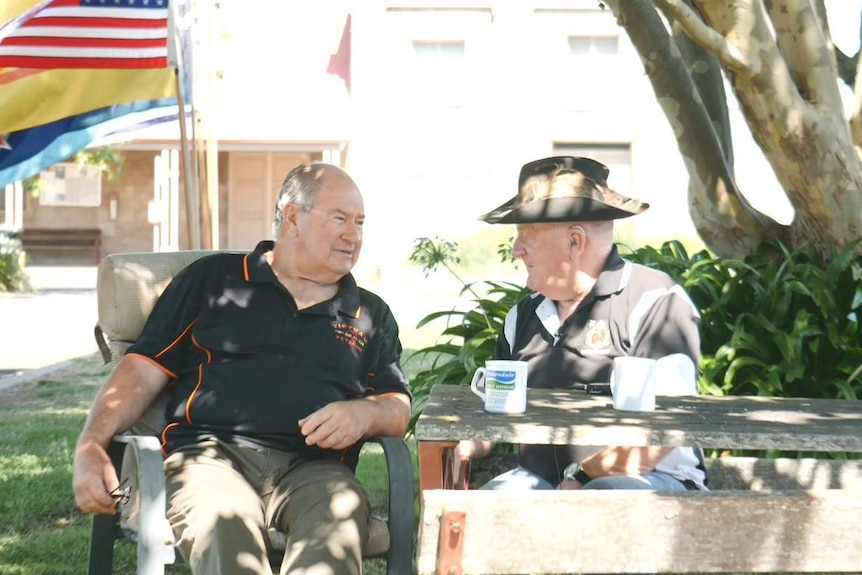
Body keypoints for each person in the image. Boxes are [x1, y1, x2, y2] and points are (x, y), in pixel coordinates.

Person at [72, 162, 412, 575]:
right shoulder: (214, 281)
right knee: (227, 541)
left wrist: (364, 414)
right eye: (339, 219)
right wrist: (92, 445)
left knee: (335, 531)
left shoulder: (369, 313)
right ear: (292, 217)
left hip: (316, 473)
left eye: (359, 222)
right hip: (211, 461)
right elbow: (141, 370)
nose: (353, 236)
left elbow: (397, 405)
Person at [456, 155, 706, 492]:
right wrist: (466, 443)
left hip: (650, 484)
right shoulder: (522, 317)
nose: (516, 250)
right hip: (543, 484)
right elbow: (494, 407)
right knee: (490, 508)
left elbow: (666, 432)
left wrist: (583, 478)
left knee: (600, 500)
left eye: (526, 235)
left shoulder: (655, 301)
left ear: (575, 241)